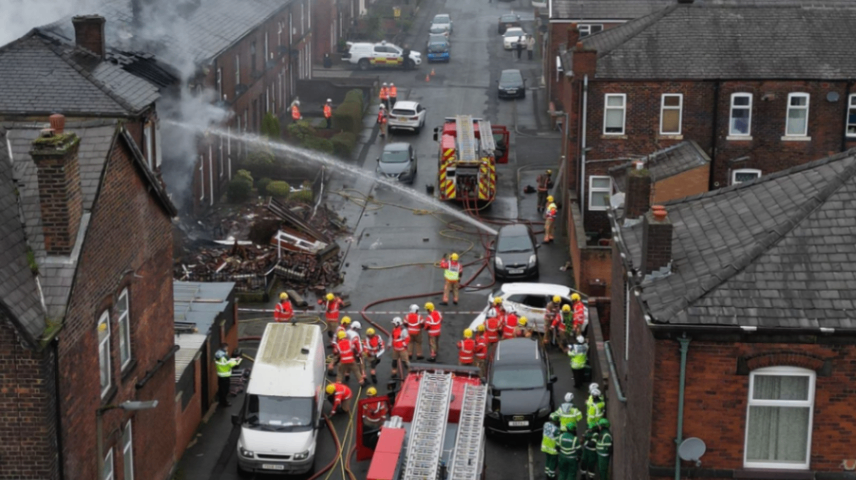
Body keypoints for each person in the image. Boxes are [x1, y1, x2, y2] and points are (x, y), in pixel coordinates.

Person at [215, 343, 241, 407]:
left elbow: (225, 362)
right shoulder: (225, 356)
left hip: (220, 374)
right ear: (225, 348)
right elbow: (231, 364)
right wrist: (237, 361)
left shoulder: (217, 354)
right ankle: (224, 403)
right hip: (225, 376)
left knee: (221, 389)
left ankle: (221, 401)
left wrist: (232, 359)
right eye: (227, 348)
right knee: (225, 390)